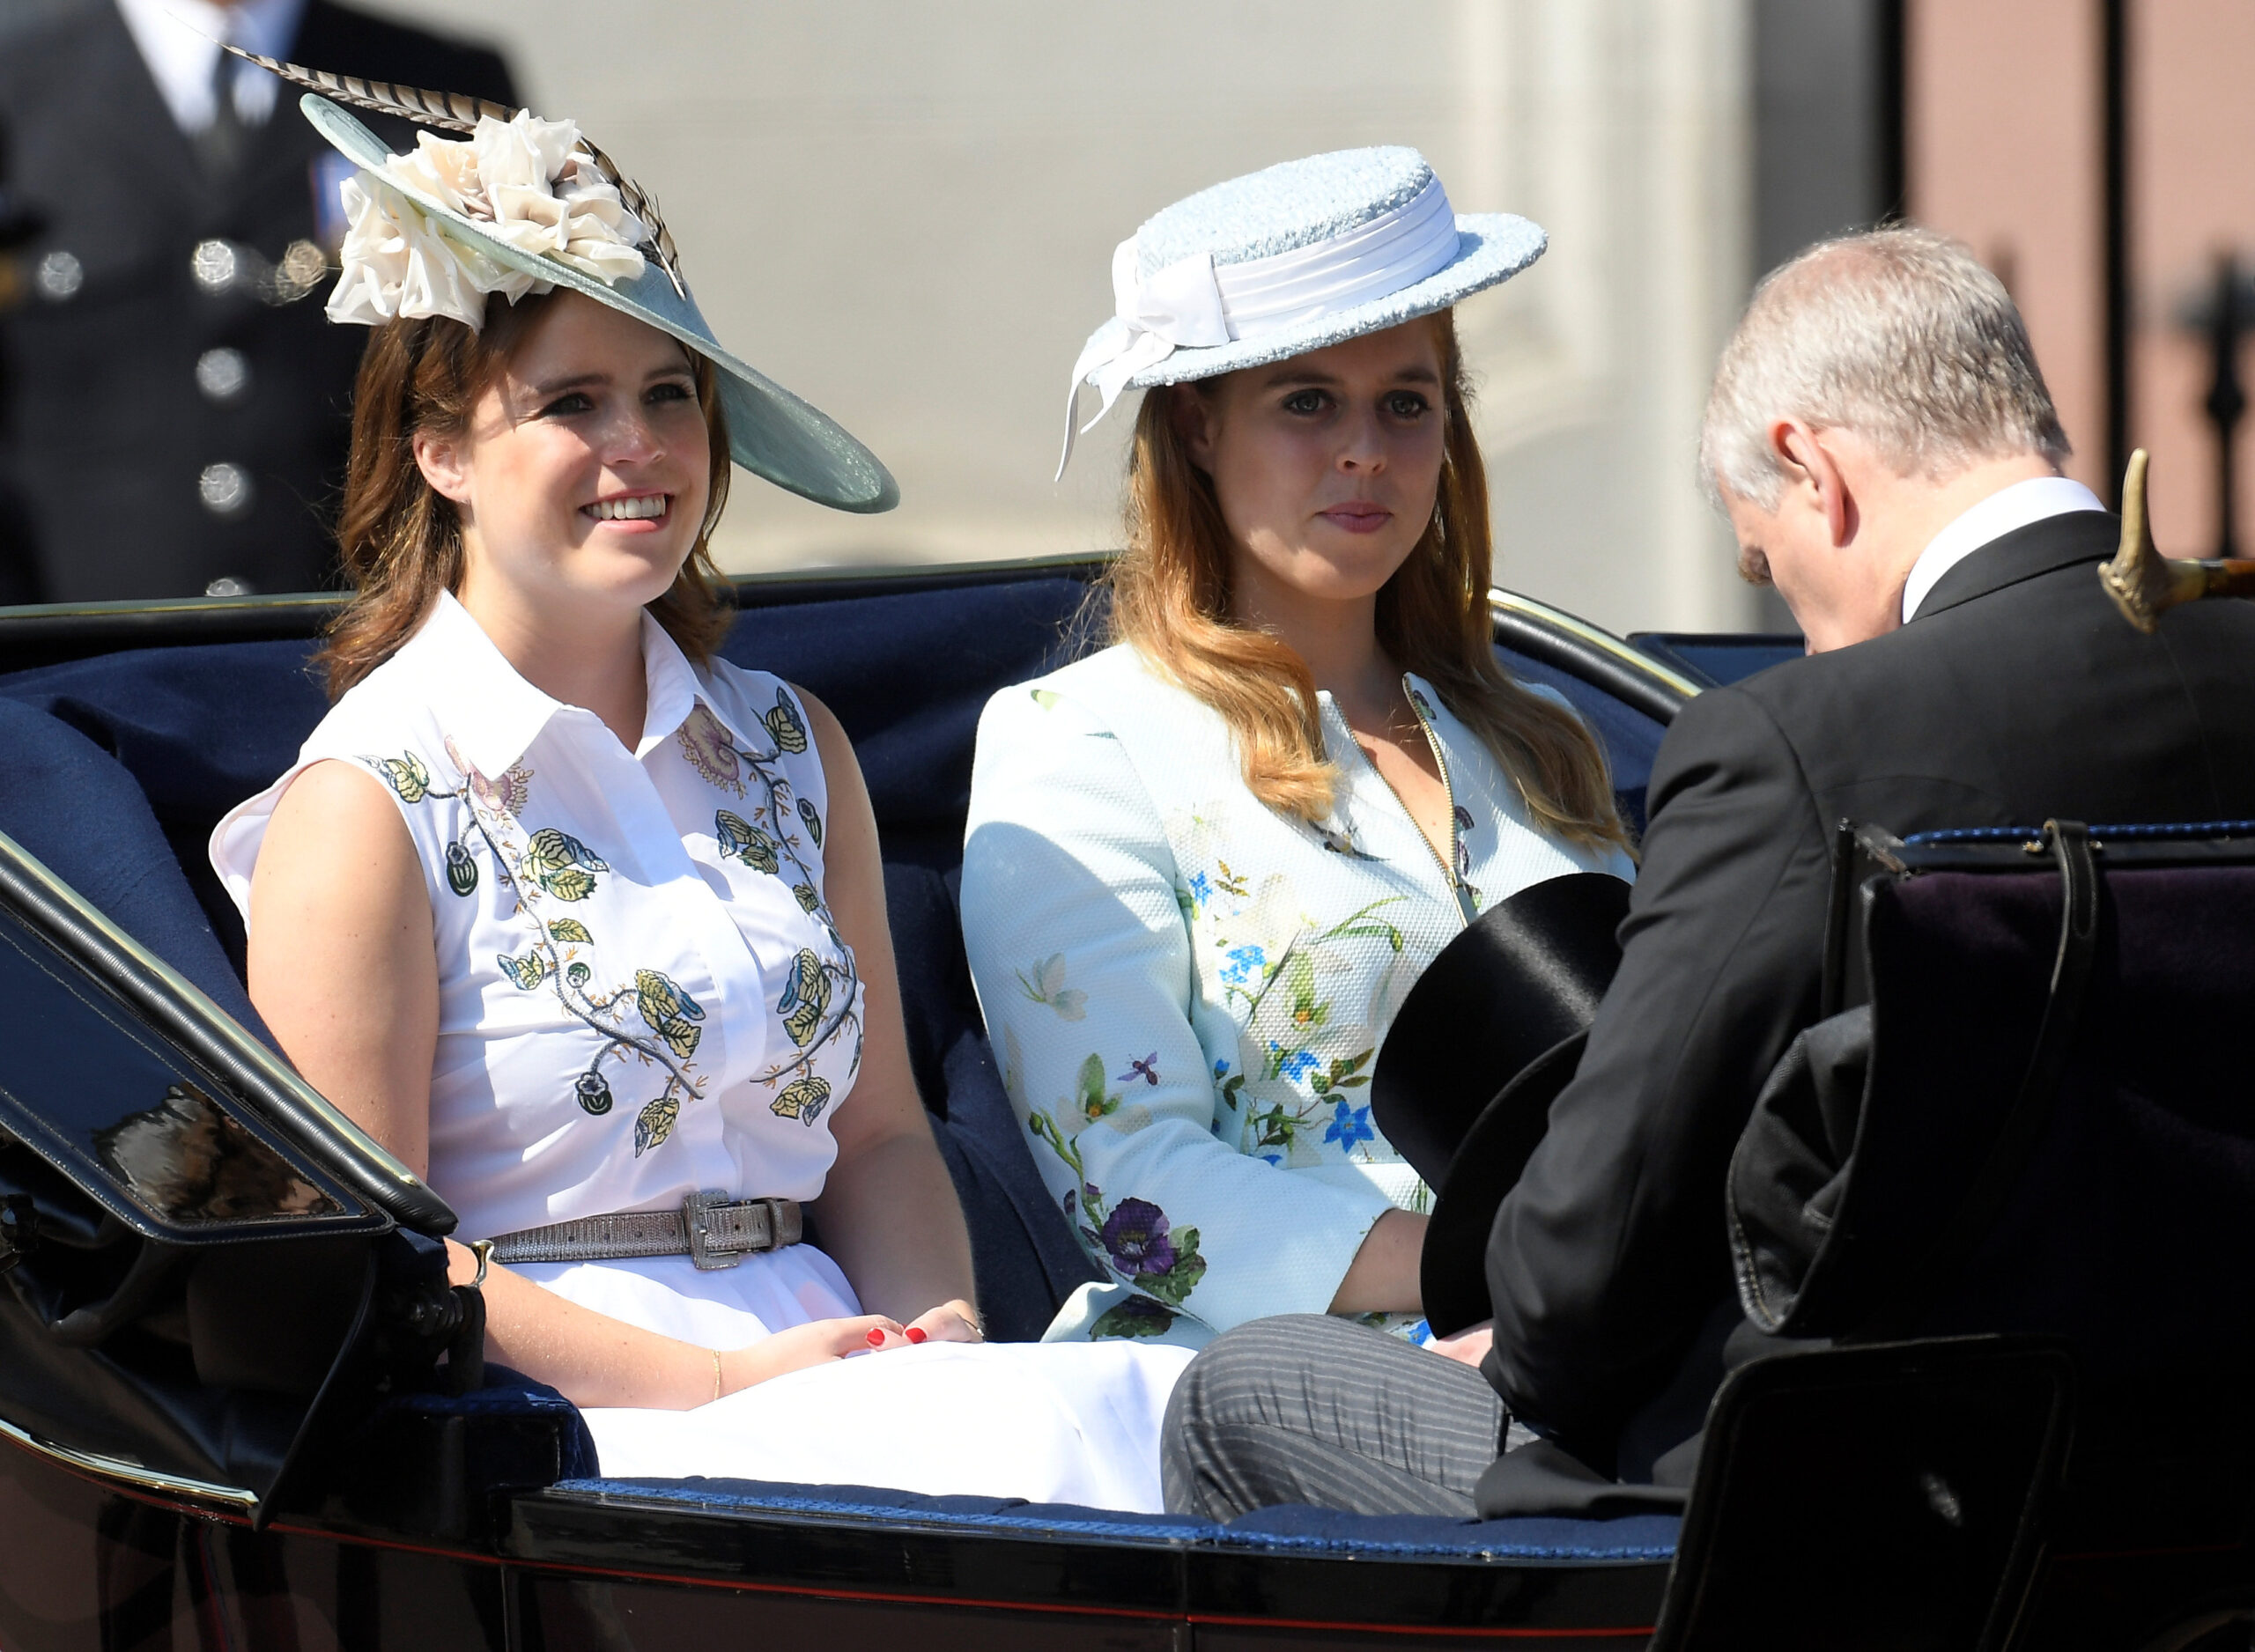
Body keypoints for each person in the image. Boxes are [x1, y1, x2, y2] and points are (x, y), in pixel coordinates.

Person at [1160, 225, 2255, 1521]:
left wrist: (1511, 1324)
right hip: (2199, 1488)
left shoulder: (1802, 742)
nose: (1795, 614)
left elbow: (1583, 1271)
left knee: (1248, 1391)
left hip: (1848, 1508)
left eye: (1762, 556)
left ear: (1812, 472)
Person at [210, 77, 1188, 1511]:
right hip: (564, 1421)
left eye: (672, 394)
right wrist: (724, 1385)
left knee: (1142, 1422)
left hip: (844, 1365)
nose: (644, 449)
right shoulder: (368, 801)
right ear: (441, 451)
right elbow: (369, 1257)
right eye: (573, 403)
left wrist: (942, 1340)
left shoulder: (796, 747)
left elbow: (881, 1139)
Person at [959, 148, 1635, 1352]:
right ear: (1198, 427)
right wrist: (1503, 1277)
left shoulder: (1542, 736)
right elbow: (1135, 1183)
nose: (1366, 449)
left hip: (1598, 1346)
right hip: (1256, 1390)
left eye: (1408, 402)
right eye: (1307, 400)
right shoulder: (1082, 742)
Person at [0, 0, 513, 602]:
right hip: (66, 667)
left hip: (365, 653)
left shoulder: (437, 86)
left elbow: (508, 387)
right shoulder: (18, 80)